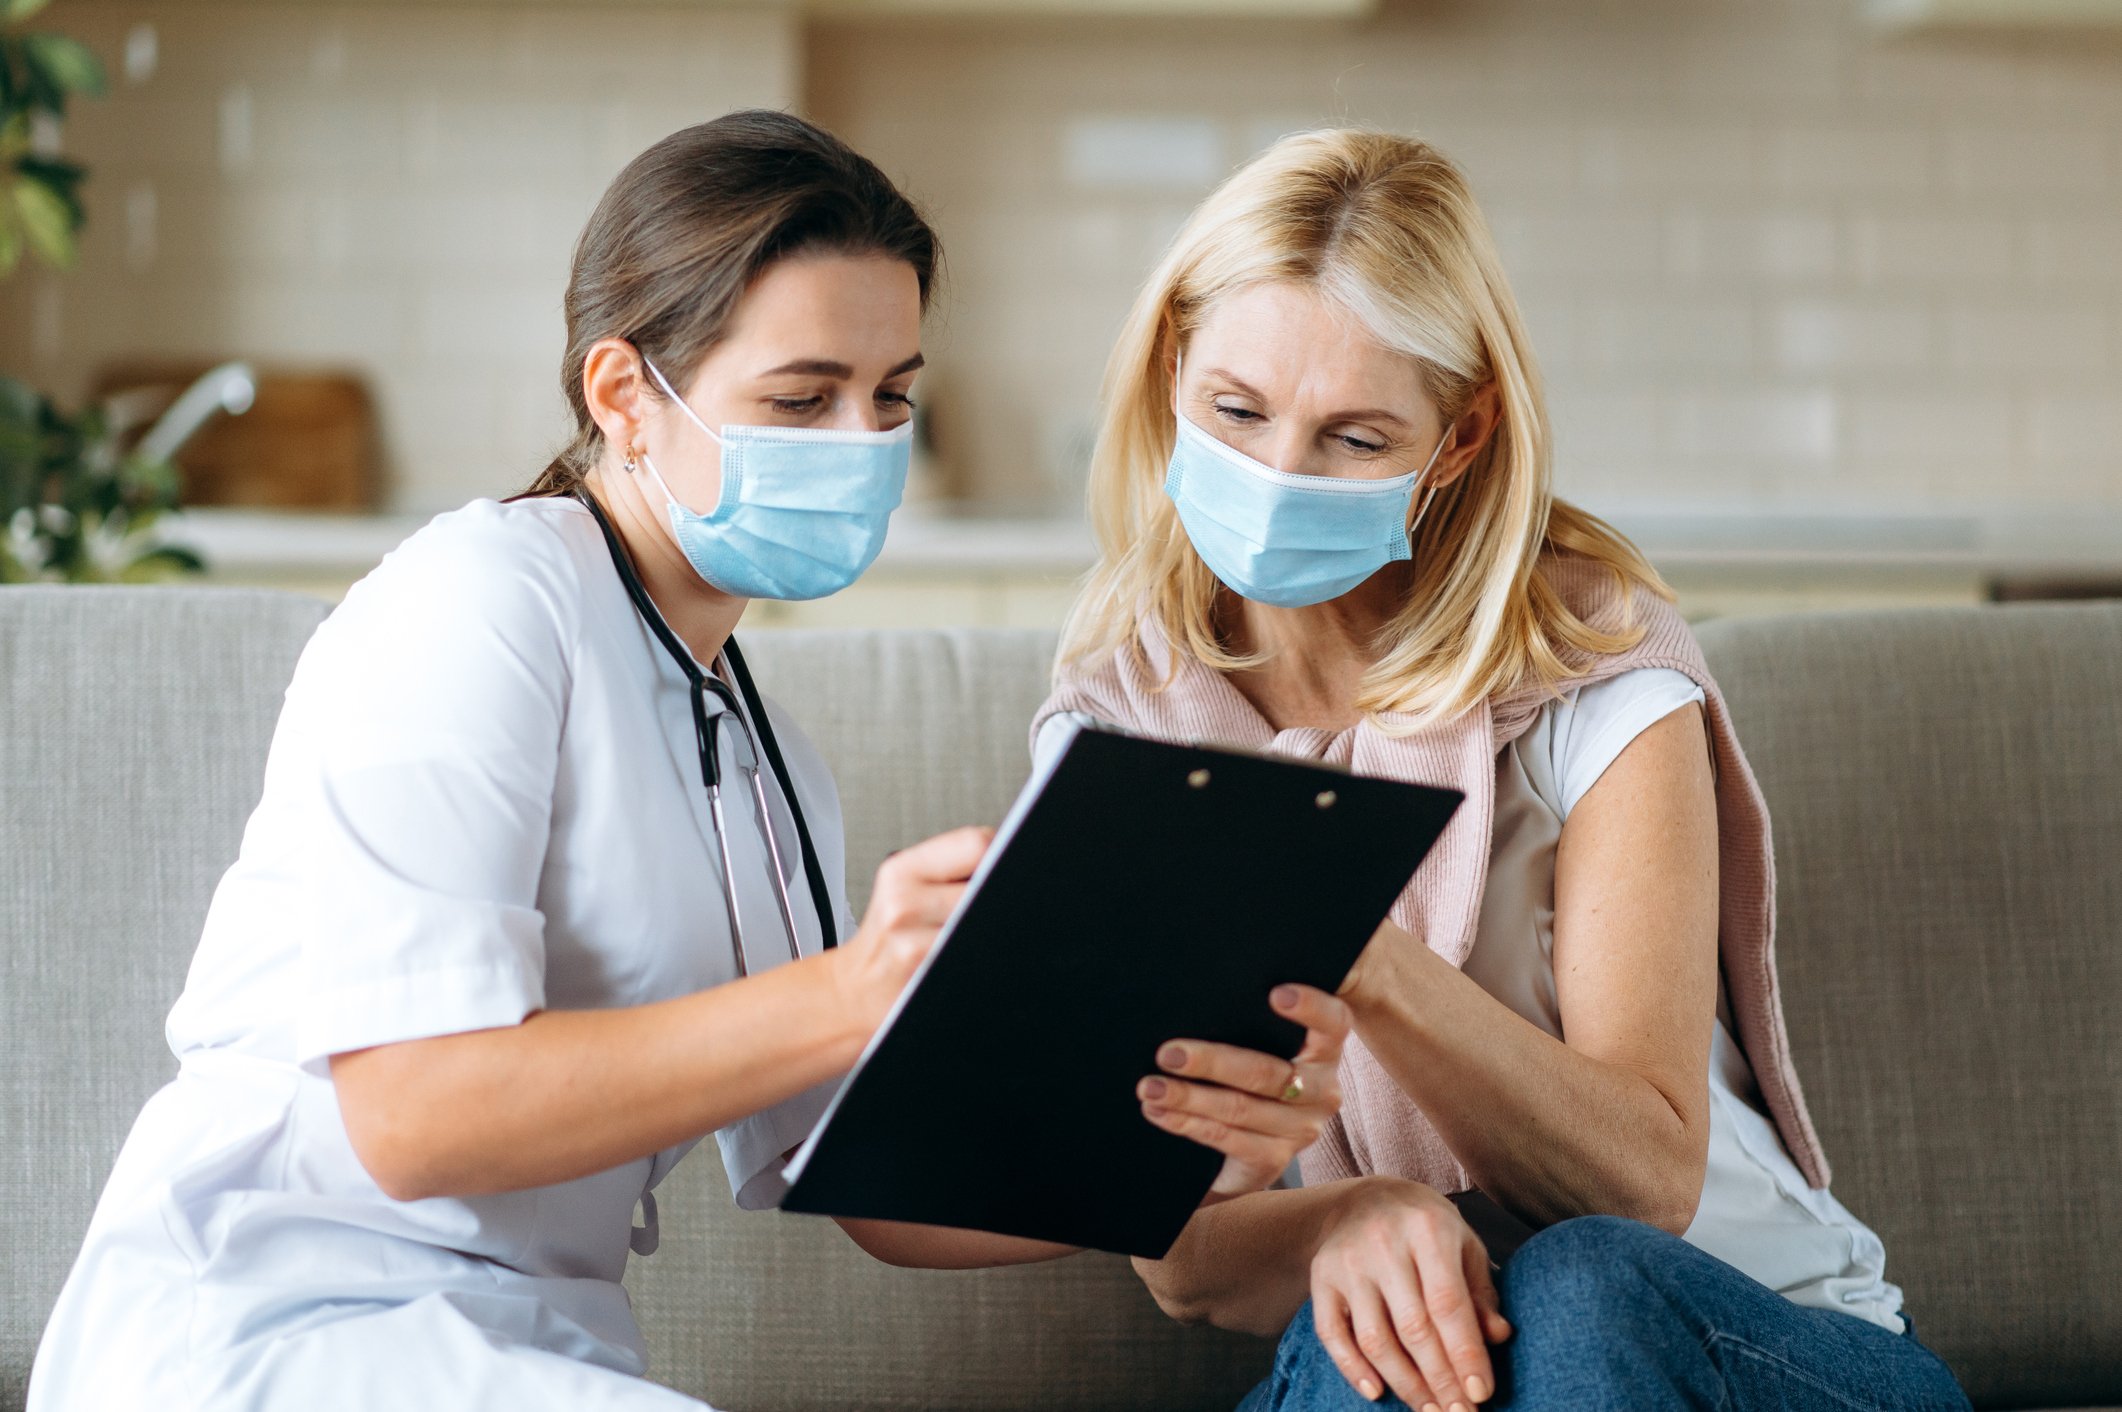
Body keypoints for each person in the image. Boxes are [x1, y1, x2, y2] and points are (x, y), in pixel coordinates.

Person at [27, 111, 1351, 1412]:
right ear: (624, 395)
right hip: (273, 1331)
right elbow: (413, 1115)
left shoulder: (763, 750)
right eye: (799, 398)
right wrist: (856, 988)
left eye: (891, 397)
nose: (861, 445)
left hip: (523, 1355)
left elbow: (880, 1195)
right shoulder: (477, 601)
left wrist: (1183, 1146)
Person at [1034, 128, 1972, 1412]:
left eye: (1355, 439)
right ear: (1171, 371)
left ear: (1457, 439)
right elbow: (1184, 1263)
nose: (1275, 477)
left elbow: (1643, 1185)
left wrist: (1351, 942)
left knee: (1578, 1277)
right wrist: (1355, 1214)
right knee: (1393, 1345)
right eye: (1236, 412)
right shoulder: (1118, 726)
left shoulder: (1601, 670)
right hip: (1421, 1352)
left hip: (1744, 1336)